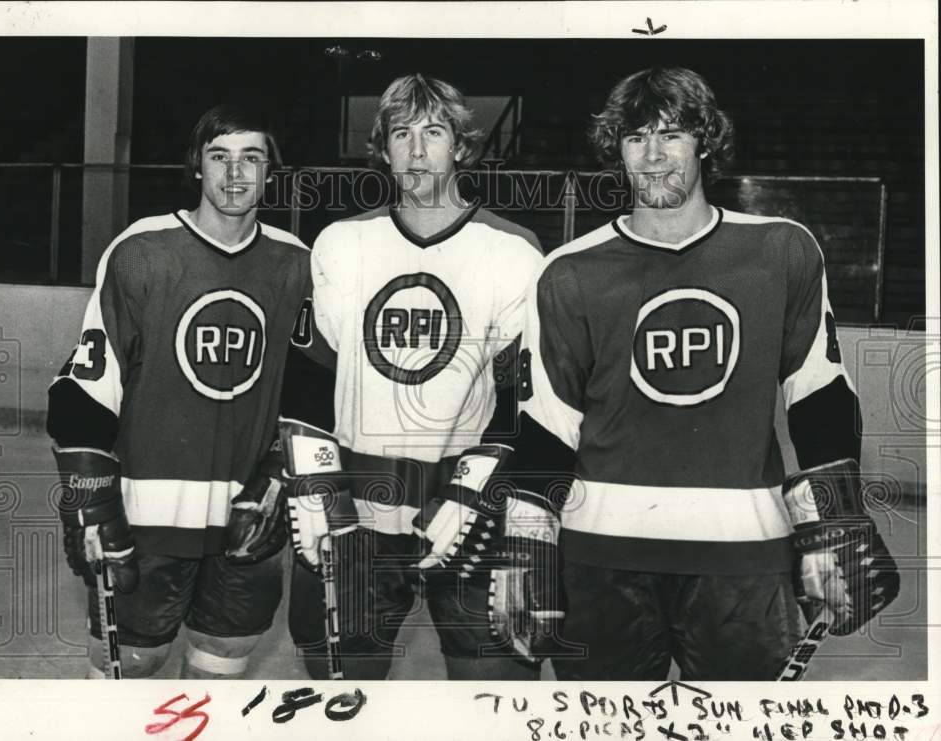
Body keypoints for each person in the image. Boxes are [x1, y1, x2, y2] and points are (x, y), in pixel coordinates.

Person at [490, 66, 900, 680]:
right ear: (616, 150)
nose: (653, 157)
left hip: (745, 557)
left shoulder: (782, 251)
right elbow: (548, 422)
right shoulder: (567, 271)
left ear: (706, 141)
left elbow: (817, 394)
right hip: (602, 557)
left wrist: (835, 519)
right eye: (635, 138)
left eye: (671, 134)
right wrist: (525, 545)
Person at [230, 74, 545, 680]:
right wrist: (315, 488)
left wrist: (479, 486)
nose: (418, 150)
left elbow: (524, 395)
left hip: (470, 518)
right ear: (383, 148)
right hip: (357, 519)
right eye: (402, 134)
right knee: (341, 699)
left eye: (434, 132)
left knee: (495, 702)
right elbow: (310, 376)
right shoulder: (342, 244)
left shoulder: (514, 251)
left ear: (462, 146)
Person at [47, 104, 313, 679]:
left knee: (222, 666)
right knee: (130, 664)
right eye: (220, 157)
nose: (235, 173)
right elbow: (85, 390)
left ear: (272, 171)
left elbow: (309, 390)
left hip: (247, 517)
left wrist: (277, 477)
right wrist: (91, 504)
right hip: (149, 515)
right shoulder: (143, 249)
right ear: (197, 166)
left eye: (251, 158)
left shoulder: (297, 264)